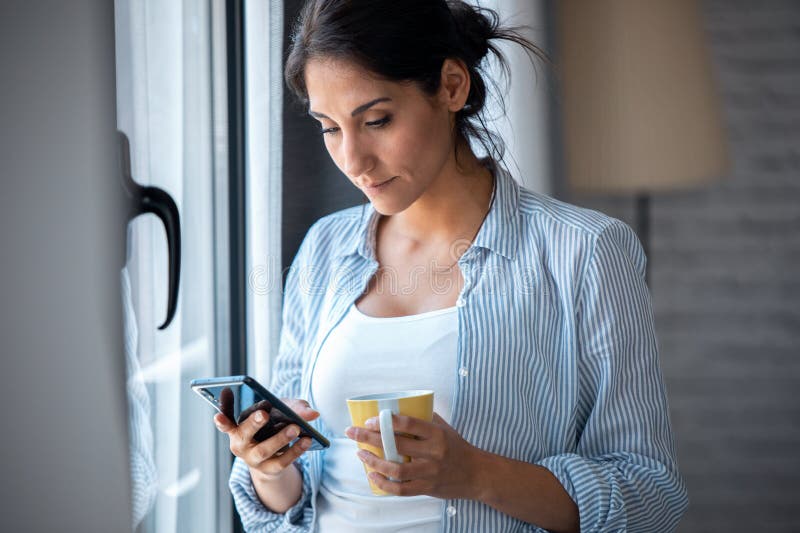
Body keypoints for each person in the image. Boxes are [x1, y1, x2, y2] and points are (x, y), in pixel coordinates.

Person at [213, 1, 689, 531]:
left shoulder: (584, 251)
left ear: (452, 86)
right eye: (329, 128)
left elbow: (651, 493)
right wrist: (269, 467)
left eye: (376, 120)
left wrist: (475, 473)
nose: (353, 160)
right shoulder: (324, 249)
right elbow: (296, 496)